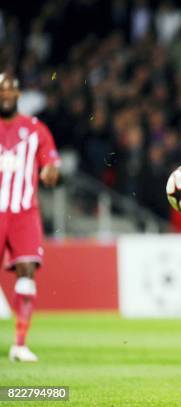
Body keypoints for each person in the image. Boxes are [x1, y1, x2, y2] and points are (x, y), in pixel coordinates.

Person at [0, 73, 60, 362]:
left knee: (27, 271)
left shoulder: (35, 129)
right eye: (2, 91)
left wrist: (50, 171)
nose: (6, 95)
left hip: (25, 212)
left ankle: (20, 344)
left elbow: (51, 160)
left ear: (18, 95)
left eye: (10, 91)